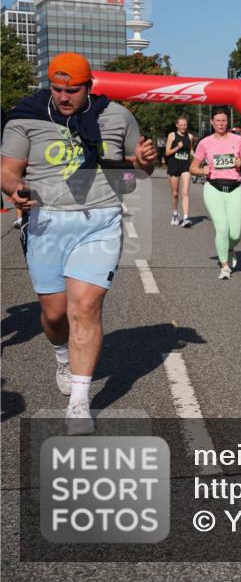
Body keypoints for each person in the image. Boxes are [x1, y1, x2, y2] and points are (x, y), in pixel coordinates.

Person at [0, 52, 156, 434]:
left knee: (85, 308)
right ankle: (61, 355)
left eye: (73, 90)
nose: (64, 97)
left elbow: (138, 168)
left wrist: (146, 160)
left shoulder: (117, 116)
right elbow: (7, 170)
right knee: (54, 317)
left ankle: (80, 402)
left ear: (89, 87)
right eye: (57, 89)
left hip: (100, 221)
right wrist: (15, 189)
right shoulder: (26, 117)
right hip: (46, 222)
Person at [190, 107, 241, 279]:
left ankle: (230, 249)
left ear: (227, 122)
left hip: (234, 189)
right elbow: (192, 167)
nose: (221, 123)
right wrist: (202, 170)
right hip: (213, 188)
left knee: (235, 233)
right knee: (222, 228)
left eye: (224, 120)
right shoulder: (205, 143)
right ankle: (224, 266)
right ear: (212, 122)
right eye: (217, 120)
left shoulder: (238, 140)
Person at [165, 116, 194, 227]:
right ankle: (175, 214)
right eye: (181, 125)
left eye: (185, 125)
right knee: (175, 194)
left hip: (186, 166)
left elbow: (190, 150)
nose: (183, 127)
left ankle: (186, 218)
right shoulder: (172, 135)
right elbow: (167, 152)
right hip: (174, 166)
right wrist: (177, 147)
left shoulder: (190, 136)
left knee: (185, 192)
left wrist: (198, 158)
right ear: (177, 125)